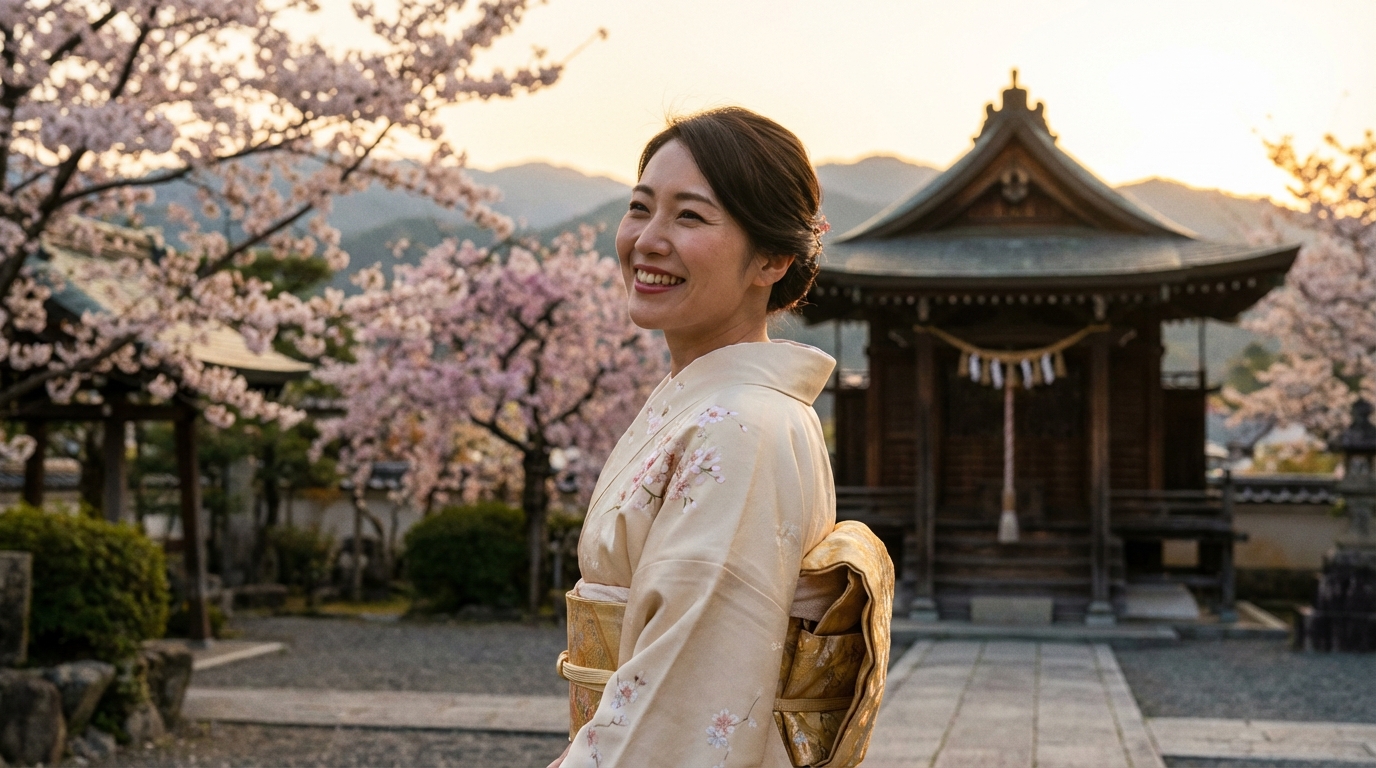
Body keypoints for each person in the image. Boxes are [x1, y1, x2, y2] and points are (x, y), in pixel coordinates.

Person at [549, 107, 889, 768]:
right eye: (640, 208)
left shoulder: (744, 427)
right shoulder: (705, 405)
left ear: (771, 258)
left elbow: (687, 689)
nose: (647, 239)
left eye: (689, 216)